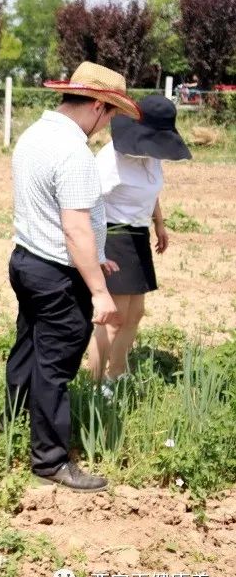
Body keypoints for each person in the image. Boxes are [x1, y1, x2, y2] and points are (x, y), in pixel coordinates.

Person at [5, 62, 141, 492]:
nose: (108, 126)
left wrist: (95, 258)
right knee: (55, 367)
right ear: (98, 105)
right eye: (111, 115)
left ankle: (13, 425)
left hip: (27, 260)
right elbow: (74, 226)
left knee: (27, 348)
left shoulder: (35, 135)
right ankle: (50, 460)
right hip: (58, 275)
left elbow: (50, 214)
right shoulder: (73, 152)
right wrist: (99, 292)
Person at [87, 95, 191, 388]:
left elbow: (151, 191)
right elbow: (88, 201)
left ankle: (117, 374)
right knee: (113, 319)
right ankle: (95, 385)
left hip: (138, 237)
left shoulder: (152, 154)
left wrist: (159, 222)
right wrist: (94, 250)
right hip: (114, 237)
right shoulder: (110, 159)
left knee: (135, 313)